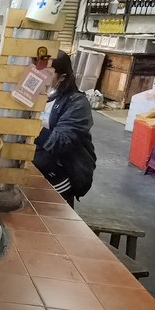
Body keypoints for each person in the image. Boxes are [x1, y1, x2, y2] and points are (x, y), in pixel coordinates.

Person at [33, 51, 96, 208]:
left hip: (59, 172)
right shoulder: (33, 94)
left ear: (62, 77)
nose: (40, 76)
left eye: (47, 73)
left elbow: (60, 141)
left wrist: (29, 126)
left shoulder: (76, 103)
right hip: (35, 165)